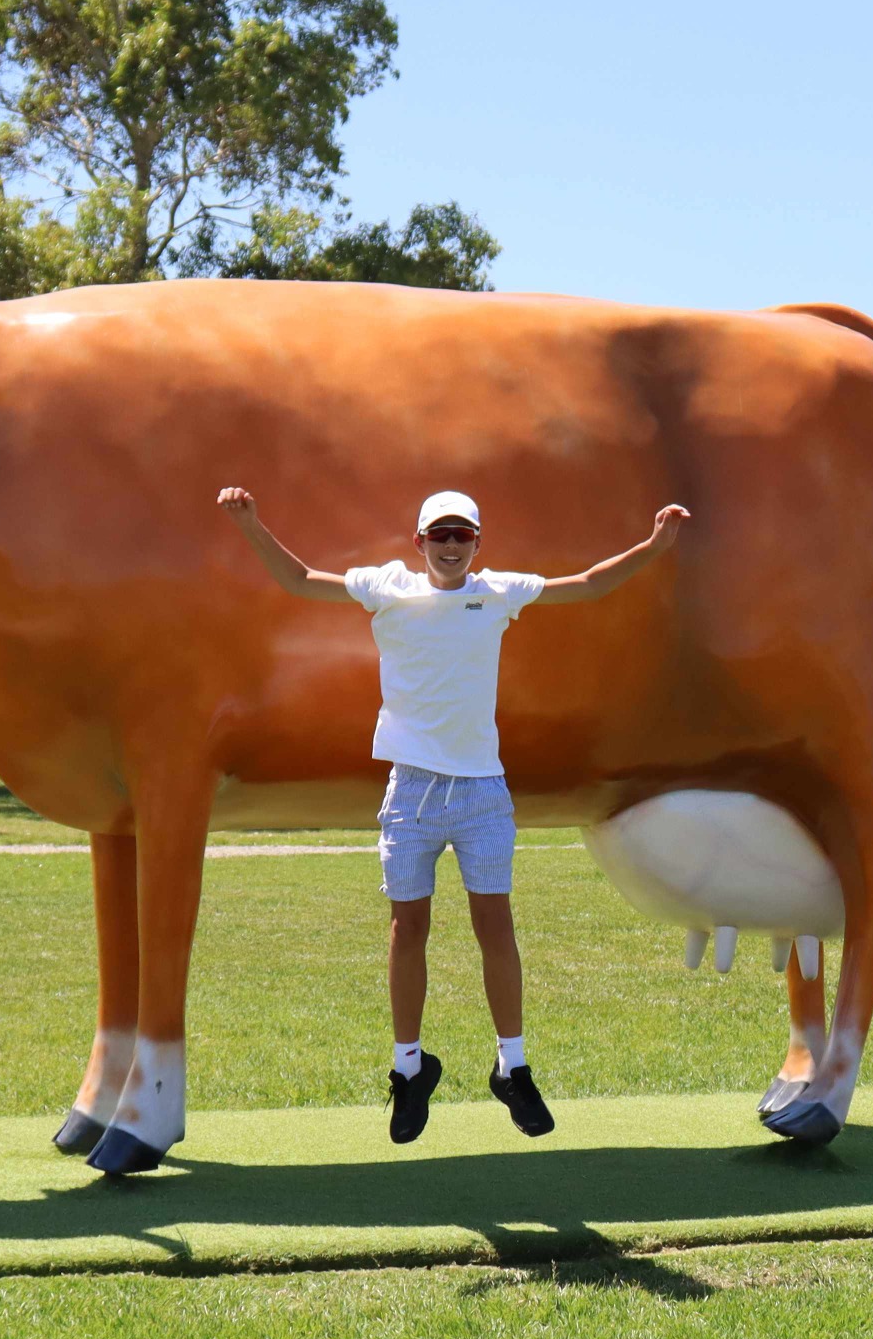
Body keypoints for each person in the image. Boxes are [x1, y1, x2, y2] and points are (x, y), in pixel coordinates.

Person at [221, 484, 685, 1143]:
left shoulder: (495, 592)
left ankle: (512, 1066)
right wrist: (249, 524)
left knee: (495, 927)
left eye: (461, 535)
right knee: (406, 930)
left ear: (477, 544)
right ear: (418, 543)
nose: (449, 545)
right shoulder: (389, 588)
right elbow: (297, 580)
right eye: (438, 535)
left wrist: (654, 545)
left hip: (482, 794)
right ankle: (409, 1071)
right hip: (410, 793)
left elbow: (584, 585)